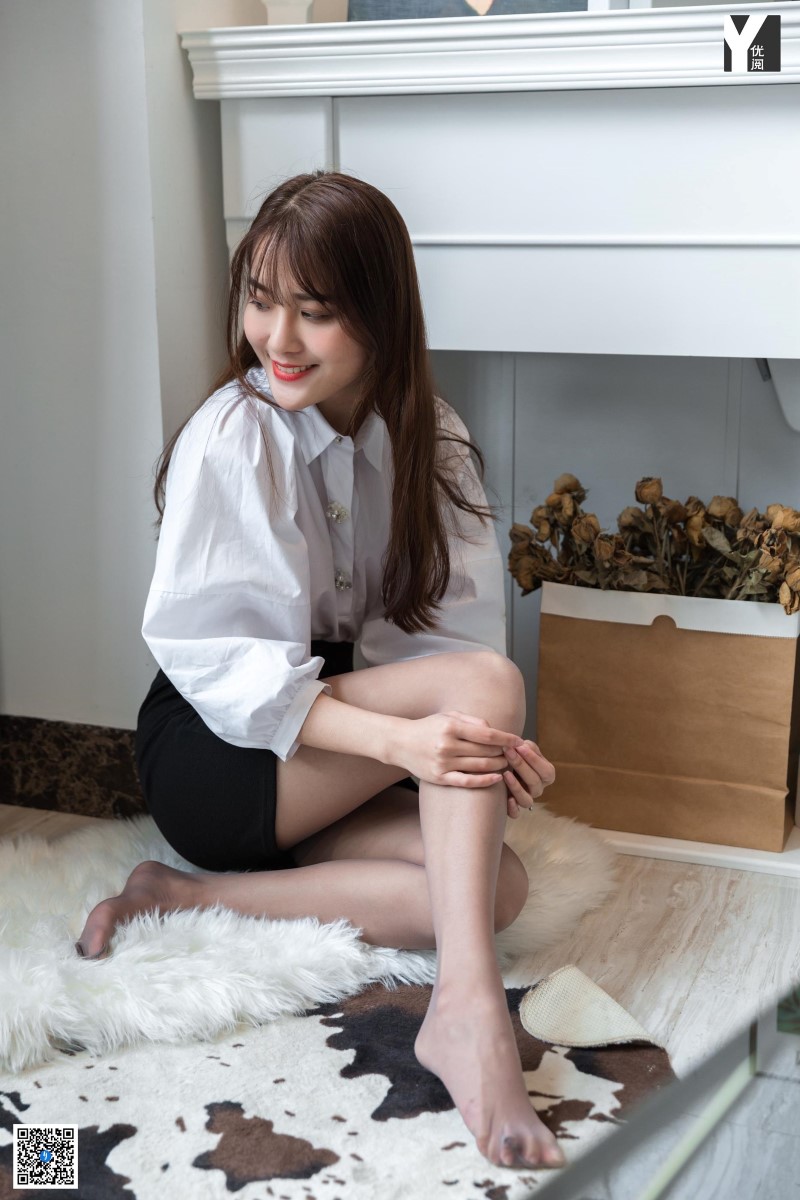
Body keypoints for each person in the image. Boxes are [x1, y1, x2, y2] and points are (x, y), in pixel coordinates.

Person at [76, 170, 564, 1172]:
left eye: (316, 310)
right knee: (485, 691)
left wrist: (485, 755)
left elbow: (441, 649)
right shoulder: (234, 434)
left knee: (489, 888)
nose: (279, 338)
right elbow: (221, 668)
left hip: (335, 751)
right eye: (260, 301)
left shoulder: (434, 441)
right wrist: (414, 740)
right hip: (218, 750)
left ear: (380, 314)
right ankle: (466, 1011)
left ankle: (181, 895)